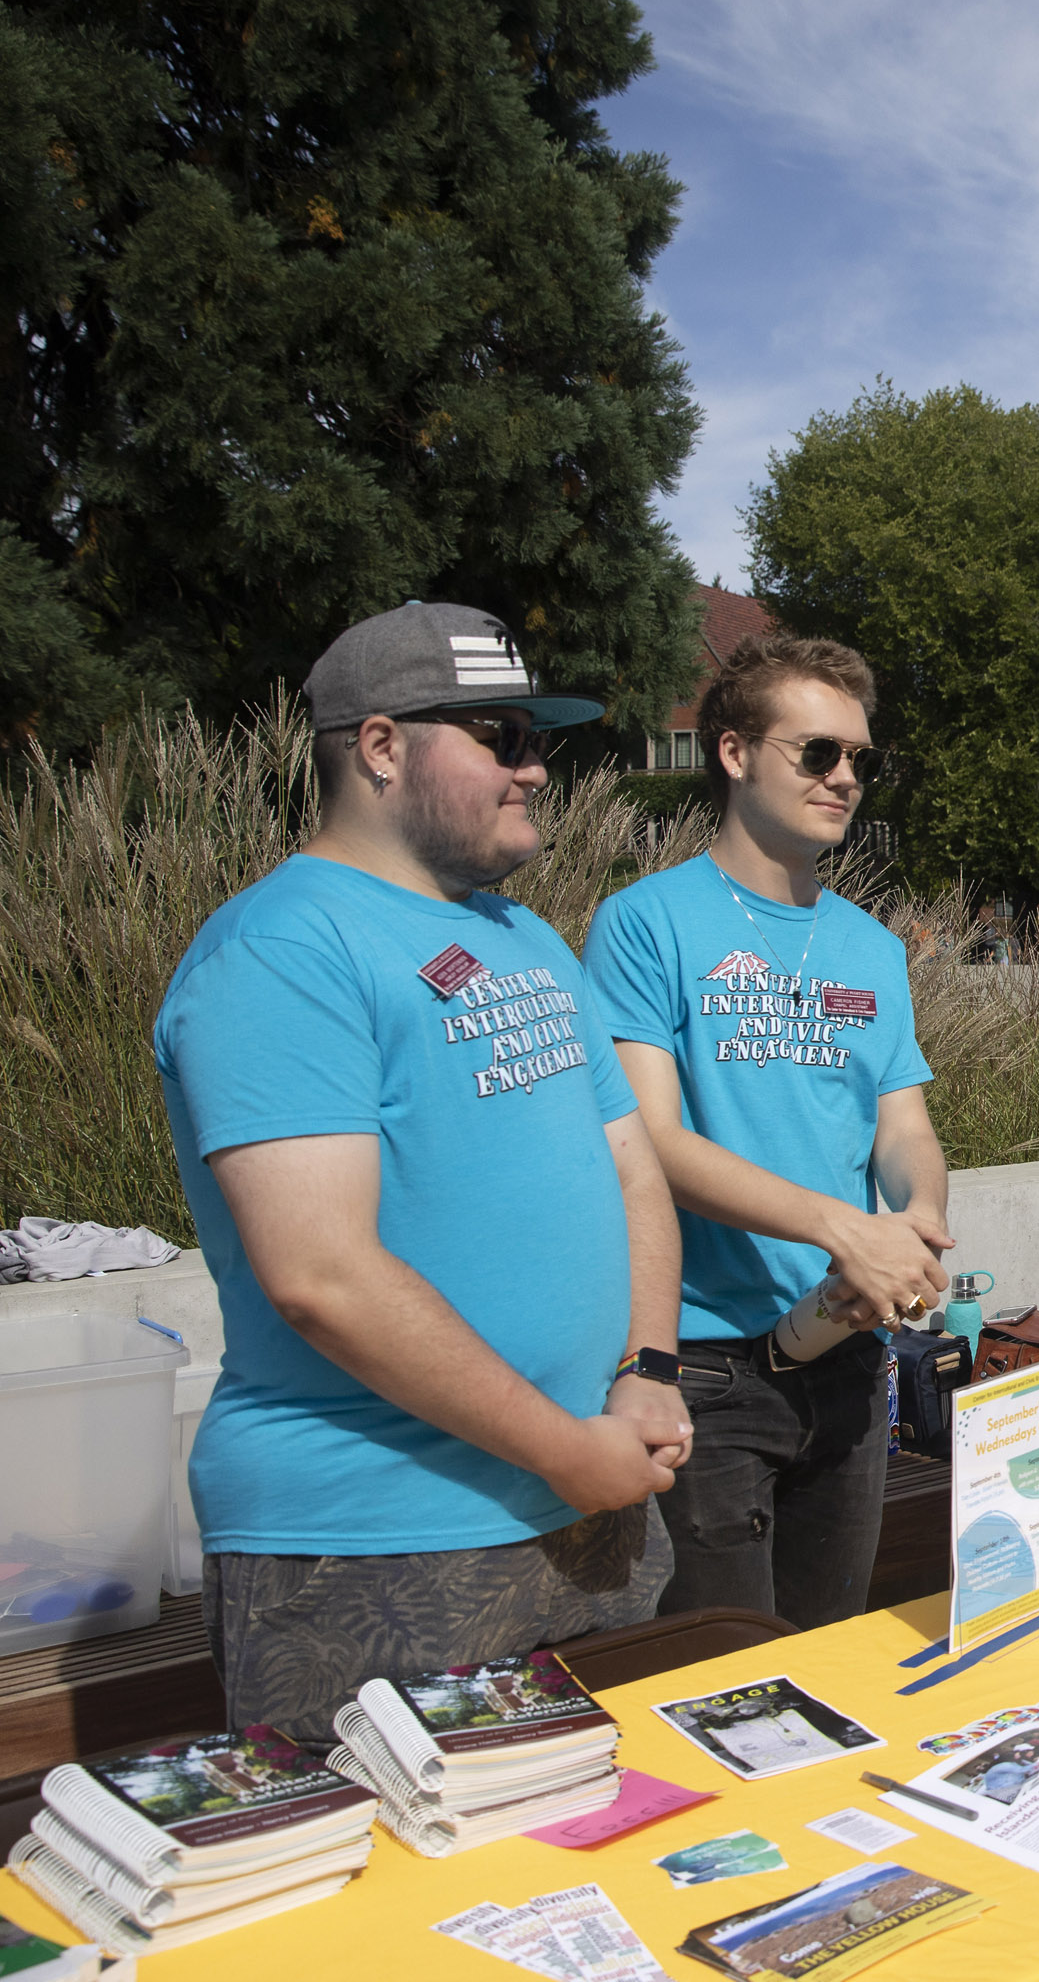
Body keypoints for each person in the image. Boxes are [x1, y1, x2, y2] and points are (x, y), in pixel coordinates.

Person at [154, 603, 687, 1744]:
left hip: (592, 1503)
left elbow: (634, 1168)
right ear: (383, 747)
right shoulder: (281, 951)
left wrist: (645, 1369)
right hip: (375, 1542)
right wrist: (568, 1447)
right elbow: (321, 1275)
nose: (537, 768)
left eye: (540, 739)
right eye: (502, 735)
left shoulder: (527, 937)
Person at [582, 634, 946, 1628]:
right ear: (735, 752)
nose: (845, 778)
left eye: (861, 760)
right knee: (723, 1679)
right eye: (818, 753)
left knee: (831, 1660)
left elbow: (904, 1123)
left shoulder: (872, 945)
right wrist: (842, 1226)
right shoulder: (645, 921)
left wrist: (916, 1222)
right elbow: (650, 1135)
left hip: (847, 1349)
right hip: (705, 1365)